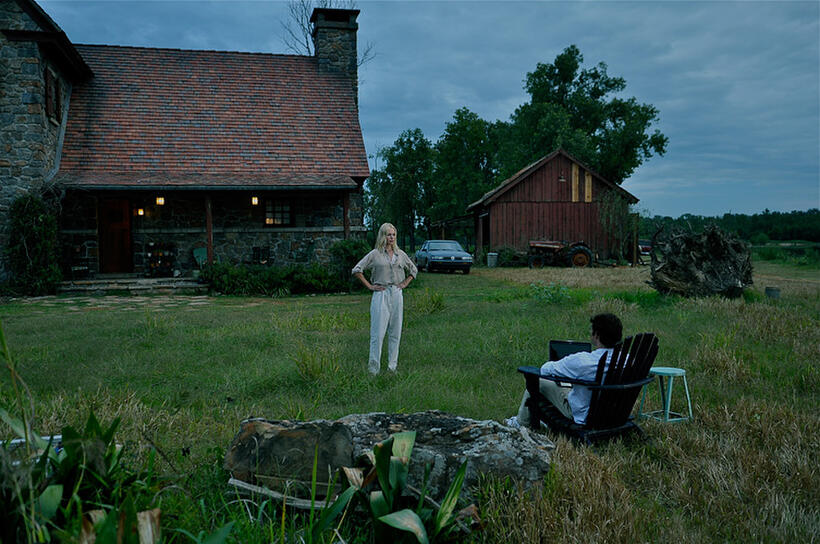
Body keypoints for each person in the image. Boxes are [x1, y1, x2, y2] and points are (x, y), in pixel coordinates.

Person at [506, 313, 623, 428]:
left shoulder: (583, 361)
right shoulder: (628, 360)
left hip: (585, 415)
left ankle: (521, 423)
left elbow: (545, 369)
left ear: (597, 335)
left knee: (537, 381)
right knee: (567, 387)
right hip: (614, 413)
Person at [352, 223, 418, 375]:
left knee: (395, 332)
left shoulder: (400, 254)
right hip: (380, 294)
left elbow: (413, 269)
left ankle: (392, 367)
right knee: (378, 333)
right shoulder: (375, 254)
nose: (391, 238)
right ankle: (373, 370)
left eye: (394, 235)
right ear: (383, 236)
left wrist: (404, 283)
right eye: (388, 234)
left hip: (396, 293)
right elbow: (357, 269)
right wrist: (369, 286)